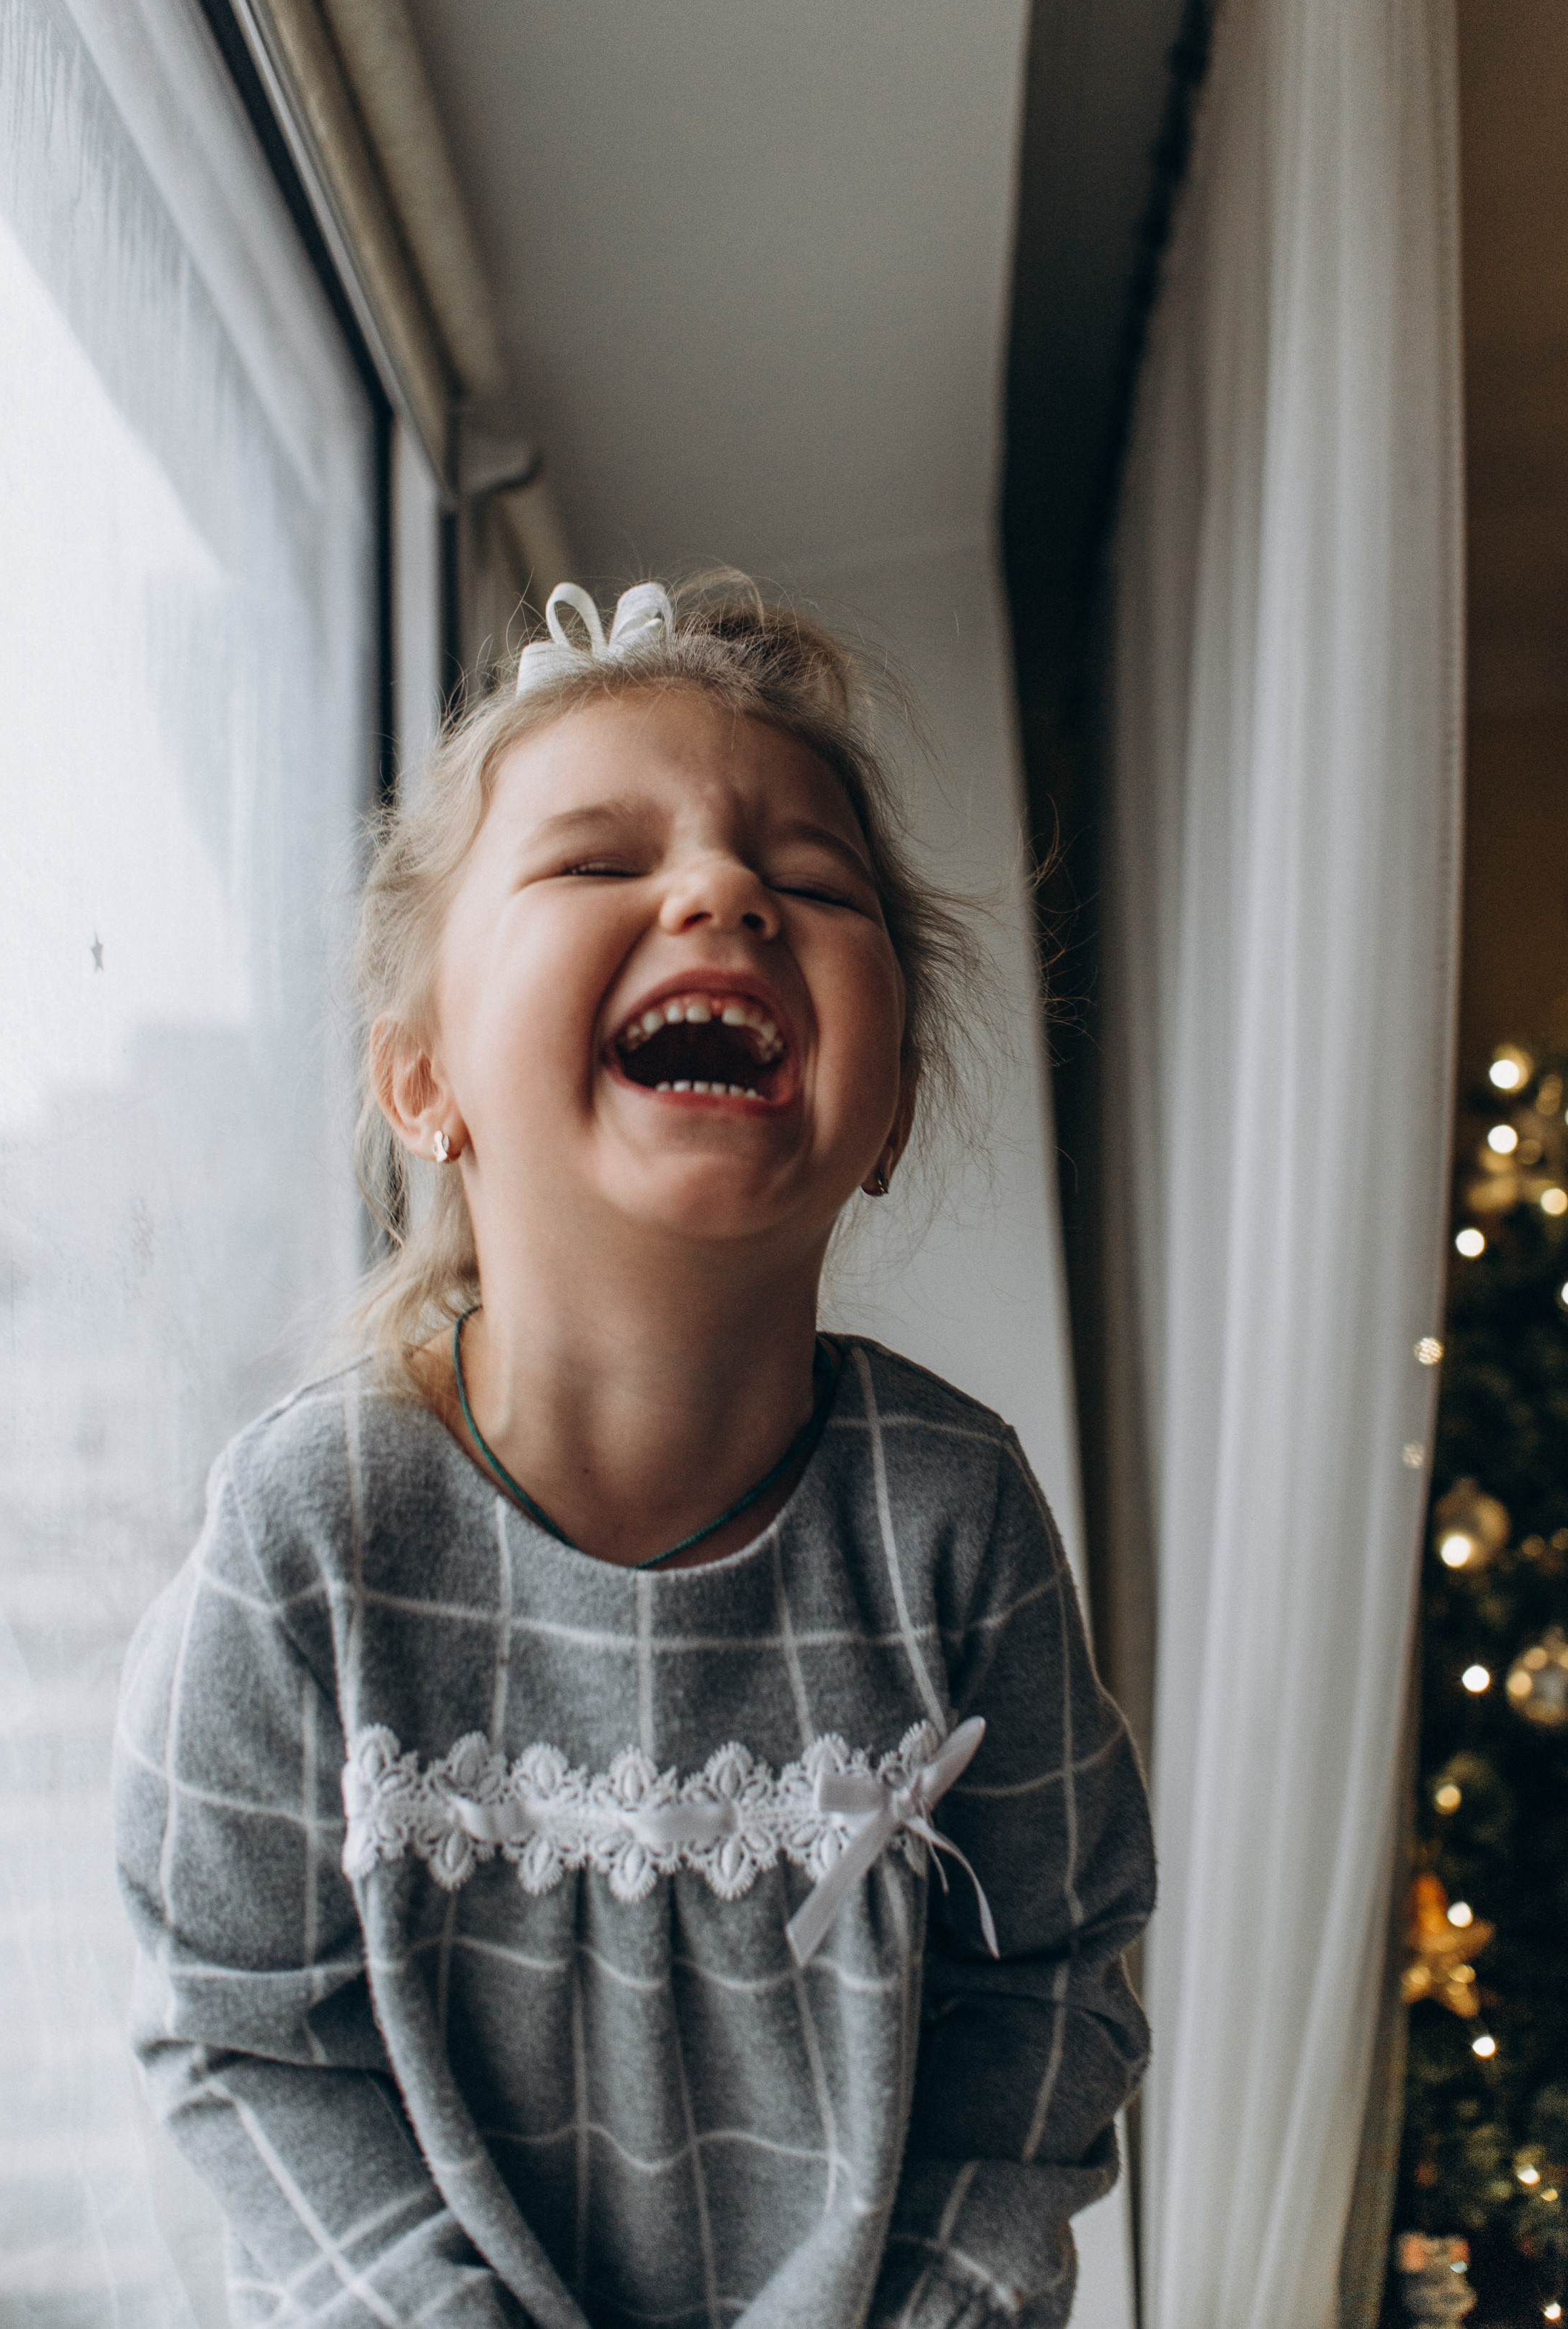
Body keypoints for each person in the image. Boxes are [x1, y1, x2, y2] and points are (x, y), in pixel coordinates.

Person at [114, 578, 1154, 2329]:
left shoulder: (952, 1521)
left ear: (887, 1109)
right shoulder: (307, 1534)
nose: (726, 891)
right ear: (422, 1078)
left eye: (812, 884)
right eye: (598, 861)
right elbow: (239, 2029)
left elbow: (1046, 1995)